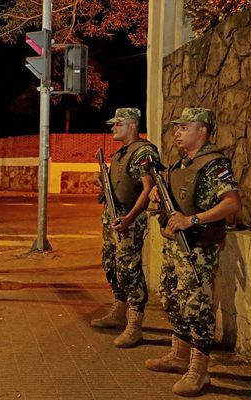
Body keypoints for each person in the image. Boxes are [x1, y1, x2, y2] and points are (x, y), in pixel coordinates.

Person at [145, 107, 242, 396]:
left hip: (198, 248)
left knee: (196, 308)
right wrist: (156, 196)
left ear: (202, 130)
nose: (177, 132)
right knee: (173, 298)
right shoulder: (180, 165)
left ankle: (199, 373)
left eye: (184, 127)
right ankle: (178, 356)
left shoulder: (214, 164)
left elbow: (232, 203)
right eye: (178, 127)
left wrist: (192, 220)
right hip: (176, 246)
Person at [91, 108, 159, 348]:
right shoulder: (122, 152)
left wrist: (130, 218)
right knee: (111, 264)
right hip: (113, 216)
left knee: (129, 269)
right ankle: (118, 311)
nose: (113, 128)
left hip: (129, 218)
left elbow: (148, 188)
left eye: (117, 124)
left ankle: (134, 324)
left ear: (131, 125)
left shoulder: (144, 151)